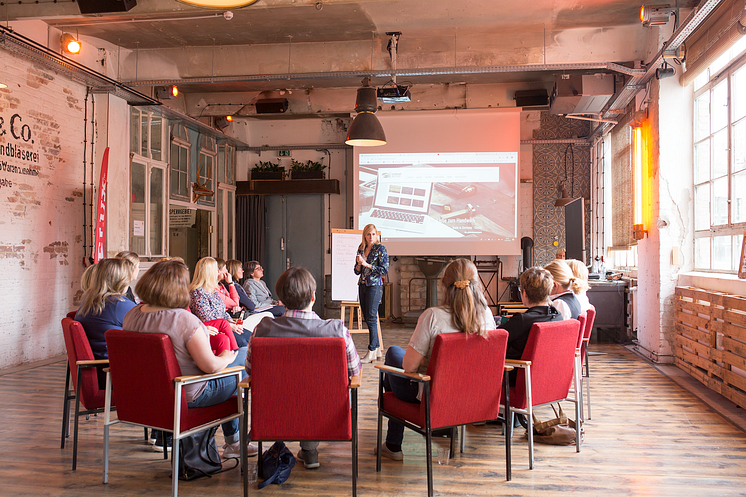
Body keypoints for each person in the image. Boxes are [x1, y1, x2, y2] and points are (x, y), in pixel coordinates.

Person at [123, 259, 257, 458]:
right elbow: (210, 366)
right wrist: (226, 358)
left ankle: (232, 442)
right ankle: (234, 443)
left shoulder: (131, 315)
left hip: (148, 394)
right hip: (189, 393)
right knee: (241, 368)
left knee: (237, 366)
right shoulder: (182, 319)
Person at [246, 266, 361, 470]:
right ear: (314, 297)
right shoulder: (337, 331)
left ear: (280, 299)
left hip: (275, 413)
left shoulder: (262, 330)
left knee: (297, 389)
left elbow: (250, 370)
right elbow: (355, 372)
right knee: (311, 390)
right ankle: (309, 450)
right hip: (324, 414)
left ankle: (306, 450)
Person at [377, 258, 492, 461]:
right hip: (472, 395)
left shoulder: (433, 316)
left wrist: (426, 362)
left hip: (433, 396)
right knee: (393, 371)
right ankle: (439, 428)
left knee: (393, 357)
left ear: (445, 287)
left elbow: (409, 366)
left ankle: (394, 444)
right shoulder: (487, 317)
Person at [75, 258, 138, 389]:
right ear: (121, 281)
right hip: (114, 373)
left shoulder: (88, 302)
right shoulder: (118, 305)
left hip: (96, 371)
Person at [500, 267, 564, 377]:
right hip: (548, 376)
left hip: (519, 376)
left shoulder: (521, 320)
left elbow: (495, 341)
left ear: (524, 293)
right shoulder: (558, 316)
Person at [189, 257, 249, 350]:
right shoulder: (198, 292)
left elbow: (223, 312)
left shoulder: (211, 290)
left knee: (253, 338)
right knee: (245, 343)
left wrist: (232, 323)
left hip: (226, 326)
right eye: (216, 270)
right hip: (215, 331)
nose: (218, 272)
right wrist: (230, 325)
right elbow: (206, 318)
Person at [354, 223, 389, 363]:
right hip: (362, 285)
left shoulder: (380, 249)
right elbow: (356, 271)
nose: (371, 237)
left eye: (373, 234)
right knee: (367, 317)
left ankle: (371, 350)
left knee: (371, 318)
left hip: (374, 286)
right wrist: (358, 264)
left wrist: (366, 264)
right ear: (364, 235)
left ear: (376, 235)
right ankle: (377, 350)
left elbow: (384, 270)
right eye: (368, 234)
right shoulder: (361, 248)